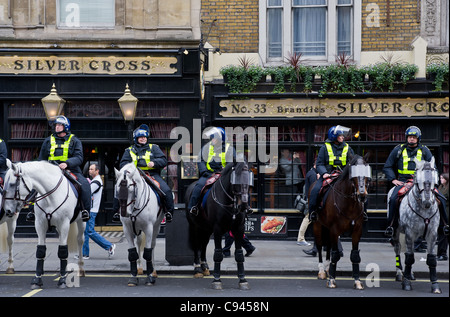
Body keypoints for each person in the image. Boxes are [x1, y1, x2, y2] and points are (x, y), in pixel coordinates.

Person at [383, 126, 449, 237]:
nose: (411, 139)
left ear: (418, 138)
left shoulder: (424, 150)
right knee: (393, 199)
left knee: (441, 198)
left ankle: (445, 225)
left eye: (414, 137)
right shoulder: (398, 149)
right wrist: (393, 179)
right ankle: (391, 226)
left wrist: (433, 183)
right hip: (403, 182)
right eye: (409, 137)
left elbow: (434, 168)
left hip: (422, 183)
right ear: (406, 138)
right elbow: (387, 166)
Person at [28, 115, 90, 222]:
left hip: (70, 170)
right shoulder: (48, 141)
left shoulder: (75, 141)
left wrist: (67, 163)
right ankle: (31, 211)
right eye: (56, 125)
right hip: (50, 171)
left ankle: (85, 210)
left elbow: (79, 157)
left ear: (66, 127)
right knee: (35, 186)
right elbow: (41, 158)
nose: (57, 127)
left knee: (84, 185)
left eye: (60, 125)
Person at [117, 124, 174, 222]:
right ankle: (117, 212)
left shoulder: (154, 148)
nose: (143, 139)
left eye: (144, 137)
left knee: (166, 191)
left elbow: (163, 160)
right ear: (136, 139)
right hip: (134, 176)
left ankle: (168, 212)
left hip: (152, 175)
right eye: (141, 137)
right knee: (120, 190)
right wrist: (132, 167)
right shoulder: (129, 150)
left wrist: (154, 163)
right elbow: (123, 164)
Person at [308, 125, 355, 222]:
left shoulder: (348, 148)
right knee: (315, 190)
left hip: (343, 176)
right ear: (334, 136)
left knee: (359, 190)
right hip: (328, 175)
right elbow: (319, 163)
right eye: (340, 135)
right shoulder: (324, 147)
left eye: (343, 136)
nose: (343, 137)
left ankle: (362, 213)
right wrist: (324, 173)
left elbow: (352, 163)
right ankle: (313, 212)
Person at [188, 127, 236, 215]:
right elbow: (200, 160)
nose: (212, 140)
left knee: (238, 188)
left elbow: (231, 163)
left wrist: (225, 171)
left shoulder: (229, 149)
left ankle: (244, 208)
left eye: (214, 138)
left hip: (224, 175)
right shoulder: (206, 147)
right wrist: (204, 171)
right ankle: (193, 207)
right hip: (209, 174)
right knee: (198, 187)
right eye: (212, 138)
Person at [78, 163, 115, 259]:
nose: (89, 170)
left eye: (91, 169)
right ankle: (84, 254)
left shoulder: (96, 182)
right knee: (86, 232)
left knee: (89, 231)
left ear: (97, 171)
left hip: (91, 210)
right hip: (90, 209)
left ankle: (109, 246)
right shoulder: (94, 181)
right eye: (89, 169)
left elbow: (86, 193)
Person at [297, 161, 319, 246]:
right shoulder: (313, 175)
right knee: (307, 218)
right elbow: (314, 188)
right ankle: (300, 239)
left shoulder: (311, 173)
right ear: (316, 165)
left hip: (309, 199)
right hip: (311, 200)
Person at [437, 173, 449, 261]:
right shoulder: (440, 187)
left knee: (444, 234)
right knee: (441, 234)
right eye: (440, 178)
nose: (441, 179)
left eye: (442, 178)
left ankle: (443, 254)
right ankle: (440, 254)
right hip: (440, 213)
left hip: (447, 213)